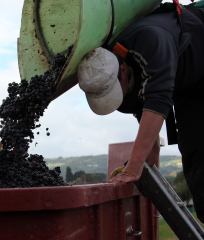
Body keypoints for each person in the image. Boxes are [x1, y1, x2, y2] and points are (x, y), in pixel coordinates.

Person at [77, 3, 204, 222]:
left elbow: (158, 101)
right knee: (193, 149)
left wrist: (134, 167)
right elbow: (144, 110)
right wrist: (149, 159)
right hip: (187, 82)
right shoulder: (117, 82)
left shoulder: (151, 40)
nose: (121, 101)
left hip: (199, 45)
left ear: (123, 70)